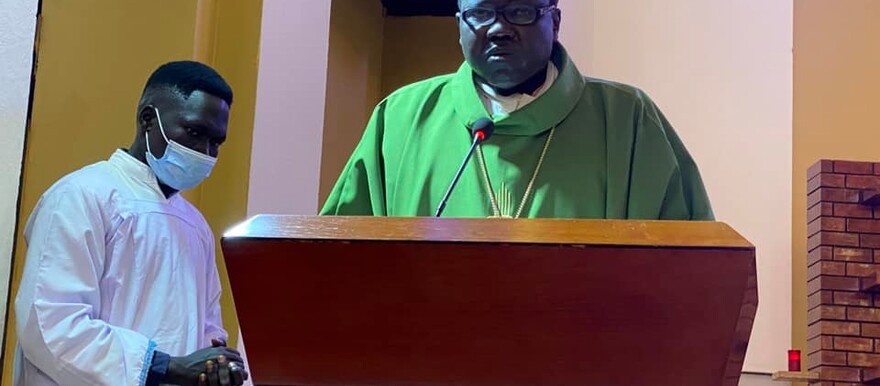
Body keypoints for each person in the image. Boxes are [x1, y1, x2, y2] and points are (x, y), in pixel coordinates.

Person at [320, 0, 713, 220]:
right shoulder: (399, 121)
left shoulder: (630, 122)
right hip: (429, 362)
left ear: (554, 22)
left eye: (520, 11)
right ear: (458, 25)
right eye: (480, 13)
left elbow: (693, 268)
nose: (498, 28)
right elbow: (334, 265)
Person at [14, 61, 248, 386]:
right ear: (148, 120)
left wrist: (218, 364)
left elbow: (206, 331)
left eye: (216, 142)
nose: (204, 152)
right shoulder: (81, 197)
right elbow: (50, 325)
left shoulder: (197, 227)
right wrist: (166, 366)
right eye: (194, 133)